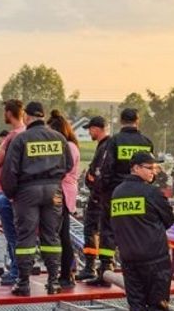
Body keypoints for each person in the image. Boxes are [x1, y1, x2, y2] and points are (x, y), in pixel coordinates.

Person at [0, 101, 72, 295]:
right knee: (52, 236)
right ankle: (53, 282)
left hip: (27, 192)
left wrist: (12, 194)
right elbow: (69, 165)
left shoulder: (21, 140)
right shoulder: (59, 138)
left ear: (27, 117)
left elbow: (9, 172)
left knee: (26, 237)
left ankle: (23, 283)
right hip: (54, 190)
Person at [111, 151, 174, 311]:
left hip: (129, 257)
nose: (153, 172)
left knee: (136, 307)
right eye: (149, 168)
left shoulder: (117, 193)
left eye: (154, 168)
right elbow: (169, 220)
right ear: (135, 168)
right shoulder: (152, 193)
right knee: (157, 309)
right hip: (155, 258)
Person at [91, 108, 154, 285]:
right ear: (137, 121)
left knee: (108, 231)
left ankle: (106, 270)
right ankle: (140, 271)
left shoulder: (114, 141)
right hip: (141, 194)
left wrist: (100, 193)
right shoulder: (146, 142)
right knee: (137, 231)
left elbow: (107, 169)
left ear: (120, 121)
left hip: (115, 193)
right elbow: (151, 170)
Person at [0, 100, 26, 285]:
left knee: (12, 235)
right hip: (20, 192)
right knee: (21, 234)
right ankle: (20, 270)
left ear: (9, 113)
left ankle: (15, 270)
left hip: (5, 191)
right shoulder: (27, 133)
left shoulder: (13, 136)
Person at [47, 109, 82, 289]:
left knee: (62, 235)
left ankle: (66, 274)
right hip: (67, 191)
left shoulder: (66, 147)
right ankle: (67, 271)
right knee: (63, 234)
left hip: (62, 191)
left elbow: (60, 169)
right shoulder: (72, 145)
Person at [76, 116, 110, 281]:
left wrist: (90, 181)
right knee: (104, 231)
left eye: (90, 129)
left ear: (97, 129)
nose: (89, 132)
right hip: (105, 196)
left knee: (91, 230)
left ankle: (90, 267)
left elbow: (96, 174)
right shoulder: (108, 146)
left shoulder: (104, 147)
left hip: (98, 197)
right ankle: (105, 267)